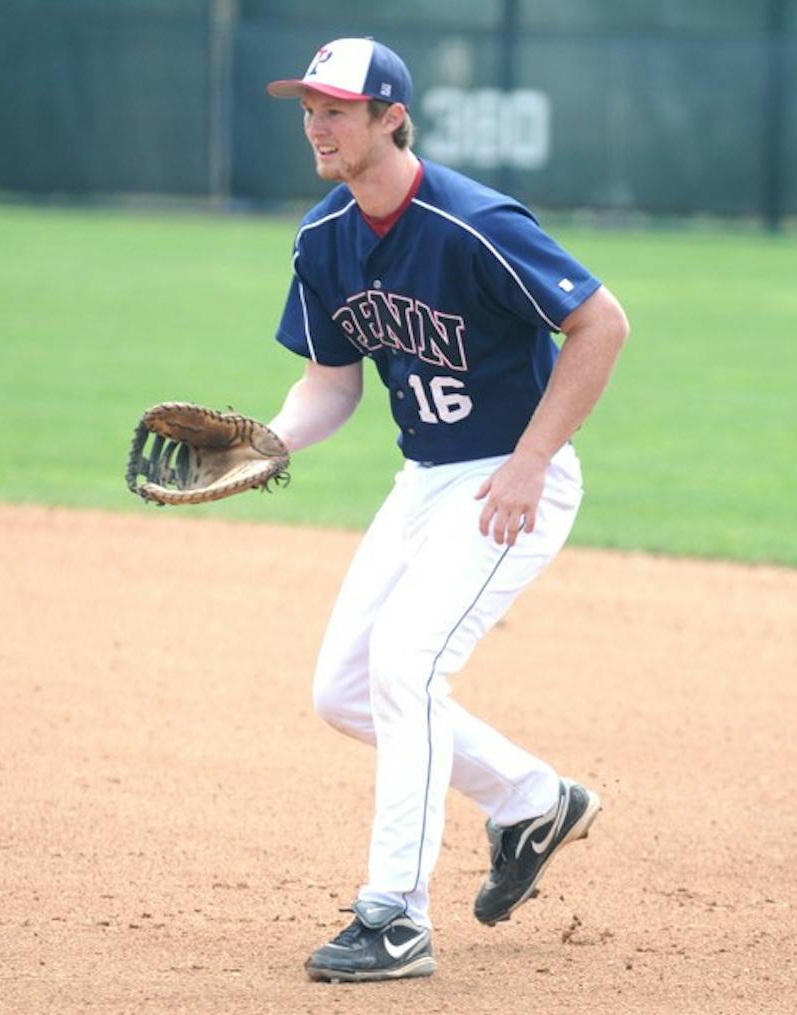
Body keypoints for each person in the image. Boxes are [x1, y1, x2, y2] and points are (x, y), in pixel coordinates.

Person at [264, 37, 630, 983]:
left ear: (391, 116)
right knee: (344, 688)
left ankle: (394, 919)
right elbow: (331, 387)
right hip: (426, 480)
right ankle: (533, 800)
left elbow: (601, 322)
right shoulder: (324, 238)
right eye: (309, 107)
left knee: (406, 662)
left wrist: (531, 460)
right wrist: (270, 442)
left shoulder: (471, 221)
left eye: (337, 109)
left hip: (517, 480)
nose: (317, 125)